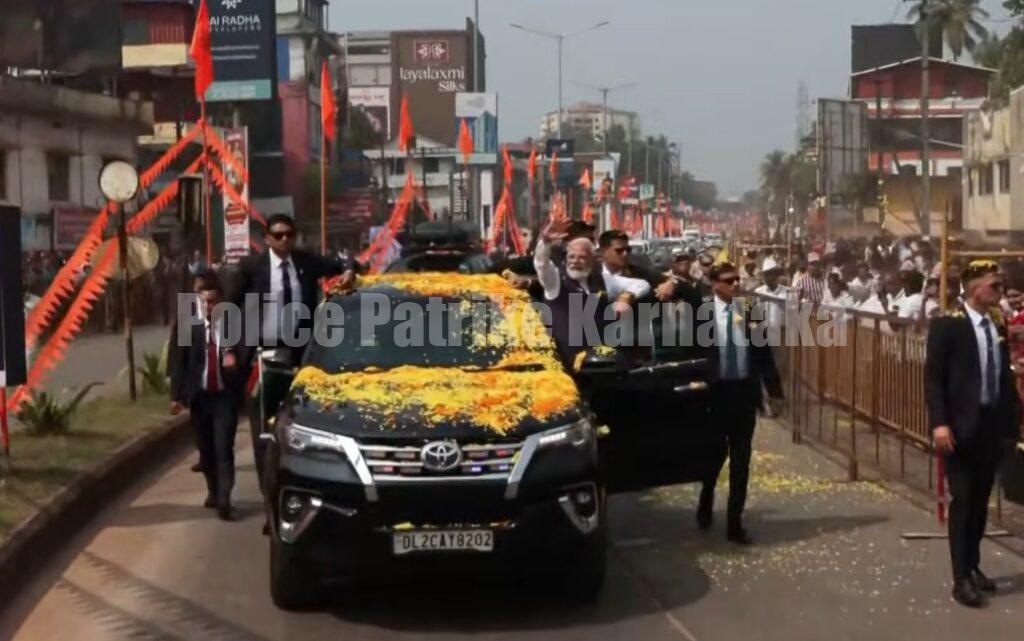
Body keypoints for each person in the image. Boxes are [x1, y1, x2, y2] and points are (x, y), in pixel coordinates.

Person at [925, 260, 1022, 607]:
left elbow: (1004, 378)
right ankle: (960, 577)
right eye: (993, 286)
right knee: (963, 500)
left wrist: (1013, 422)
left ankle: (974, 564)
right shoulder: (947, 325)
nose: (999, 292)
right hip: (958, 426)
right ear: (973, 288)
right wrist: (939, 422)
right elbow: (934, 378)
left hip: (990, 424)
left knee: (981, 501)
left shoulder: (996, 323)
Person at [697, 262, 785, 545]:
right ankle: (707, 496)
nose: (735, 285)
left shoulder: (750, 312)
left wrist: (775, 392)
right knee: (712, 455)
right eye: (728, 280)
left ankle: (734, 524)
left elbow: (764, 355)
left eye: (737, 280)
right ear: (715, 284)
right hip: (714, 395)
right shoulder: (701, 315)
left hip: (744, 394)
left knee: (741, 460)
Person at [170, 271, 250, 521]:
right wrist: (177, 396)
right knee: (206, 450)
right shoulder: (189, 327)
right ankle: (214, 491)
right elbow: (179, 364)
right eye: (204, 302)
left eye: (213, 302)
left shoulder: (234, 325)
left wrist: (235, 363)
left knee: (223, 447)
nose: (209, 307)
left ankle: (225, 499)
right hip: (200, 397)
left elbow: (248, 359)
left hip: (225, 398)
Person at [231, 214, 359, 352]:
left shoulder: (306, 261)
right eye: (278, 235)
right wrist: (228, 349)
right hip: (259, 346)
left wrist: (348, 271)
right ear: (267, 239)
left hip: (299, 346)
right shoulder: (251, 266)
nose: (284, 239)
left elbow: (343, 263)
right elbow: (231, 305)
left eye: (289, 234)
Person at [534, 221, 646, 368]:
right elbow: (542, 266)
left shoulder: (602, 280)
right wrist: (545, 243)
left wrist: (626, 297)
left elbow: (641, 285)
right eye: (571, 257)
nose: (575, 262)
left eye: (582, 257)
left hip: (599, 368)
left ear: (593, 260)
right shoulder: (555, 282)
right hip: (565, 369)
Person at [753, 257, 787, 333]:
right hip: (763, 335)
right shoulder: (758, 292)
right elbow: (752, 314)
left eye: (769, 274)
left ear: (776, 275)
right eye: (764, 275)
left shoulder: (786, 292)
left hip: (782, 335)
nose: (766, 278)